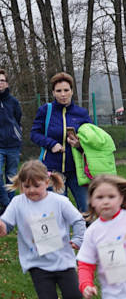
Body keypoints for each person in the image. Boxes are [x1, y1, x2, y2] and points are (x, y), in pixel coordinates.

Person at [0, 160, 85, 299]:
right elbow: (6, 223)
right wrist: (2, 227)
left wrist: (78, 240)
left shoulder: (59, 201)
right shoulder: (18, 203)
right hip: (37, 263)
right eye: (26, 186)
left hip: (63, 259)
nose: (31, 190)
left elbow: (78, 220)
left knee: (72, 294)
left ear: (47, 182)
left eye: (36, 186)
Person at [31, 72, 92, 211]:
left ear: (71, 91)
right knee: (57, 212)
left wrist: (79, 144)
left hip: (77, 170)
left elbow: (92, 139)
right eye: (59, 91)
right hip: (53, 171)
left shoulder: (81, 113)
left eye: (66, 90)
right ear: (53, 92)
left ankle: (88, 233)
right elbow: (34, 134)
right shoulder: (45, 111)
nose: (63, 94)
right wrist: (51, 144)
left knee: (88, 210)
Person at [0, 69, 23, 214]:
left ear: (7, 83)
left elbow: (18, 118)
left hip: (13, 145)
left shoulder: (13, 102)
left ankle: (7, 210)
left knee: (11, 177)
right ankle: (7, 204)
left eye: (2, 81)